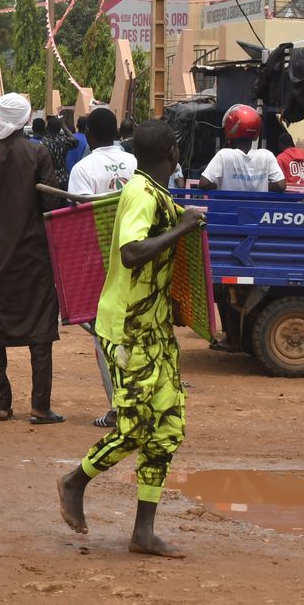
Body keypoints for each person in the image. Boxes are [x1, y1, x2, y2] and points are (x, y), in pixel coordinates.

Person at [57, 119, 205, 559]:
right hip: (127, 330)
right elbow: (131, 251)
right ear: (174, 153)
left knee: (169, 427)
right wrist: (184, 228)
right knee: (136, 427)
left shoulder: (155, 193)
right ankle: (74, 481)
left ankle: (144, 532)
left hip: (153, 328)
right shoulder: (141, 194)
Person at [0, 93, 63, 424]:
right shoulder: (38, 153)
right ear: (25, 119)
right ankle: (39, 405)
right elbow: (51, 204)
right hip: (35, 255)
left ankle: (1, 404)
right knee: (40, 328)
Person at [67, 106, 139, 429]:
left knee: (103, 335)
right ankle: (141, 402)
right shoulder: (136, 162)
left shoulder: (84, 168)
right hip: (139, 255)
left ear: (90, 134)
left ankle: (117, 408)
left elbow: (80, 217)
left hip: (103, 261)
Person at [198, 105, 286, 192]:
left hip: (228, 206)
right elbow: (281, 185)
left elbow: (203, 183)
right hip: (257, 206)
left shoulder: (224, 155)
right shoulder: (267, 156)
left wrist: (217, 185)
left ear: (231, 128)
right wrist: (263, 185)